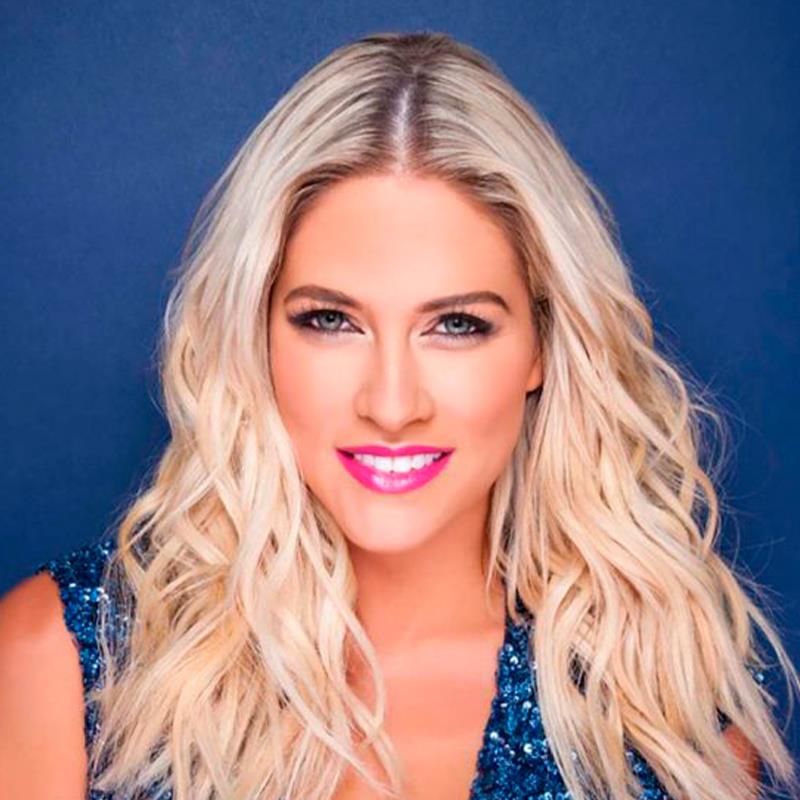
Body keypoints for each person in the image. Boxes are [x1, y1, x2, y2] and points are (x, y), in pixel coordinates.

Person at [0, 30, 796, 800]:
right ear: (256, 335)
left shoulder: (668, 726)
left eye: (457, 325)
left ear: (544, 347)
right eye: (329, 320)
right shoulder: (60, 665)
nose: (390, 405)